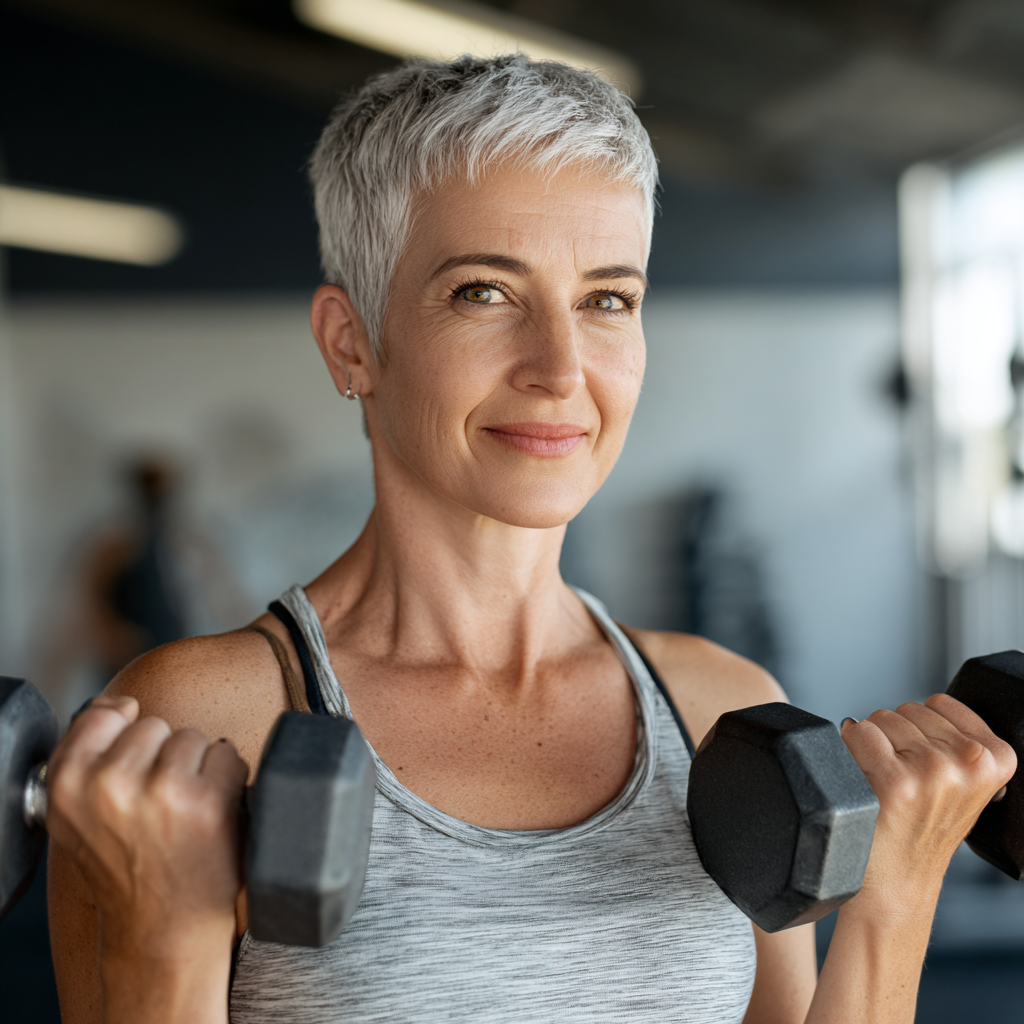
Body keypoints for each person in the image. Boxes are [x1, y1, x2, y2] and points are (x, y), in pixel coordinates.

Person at [44, 55, 1015, 1024]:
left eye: (606, 299)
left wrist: (896, 897)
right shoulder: (197, 721)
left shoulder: (726, 709)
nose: (560, 367)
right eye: (484, 292)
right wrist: (159, 942)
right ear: (351, 341)